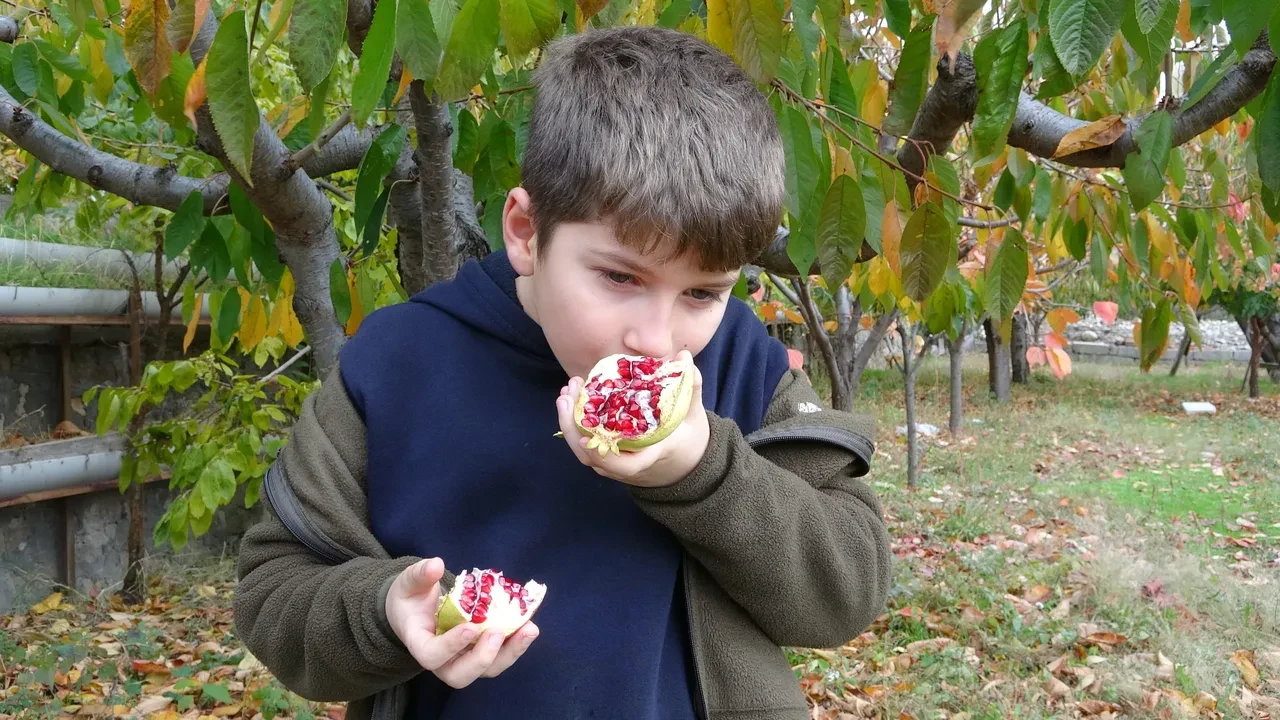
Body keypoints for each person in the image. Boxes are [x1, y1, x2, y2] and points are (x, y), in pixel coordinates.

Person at [233, 23, 892, 720]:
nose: (656, 340)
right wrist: (384, 612)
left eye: (702, 292)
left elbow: (847, 592)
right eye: (618, 276)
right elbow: (273, 592)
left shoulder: (742, 361)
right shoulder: (397, 362)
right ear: (525, 231)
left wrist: (703, 470)